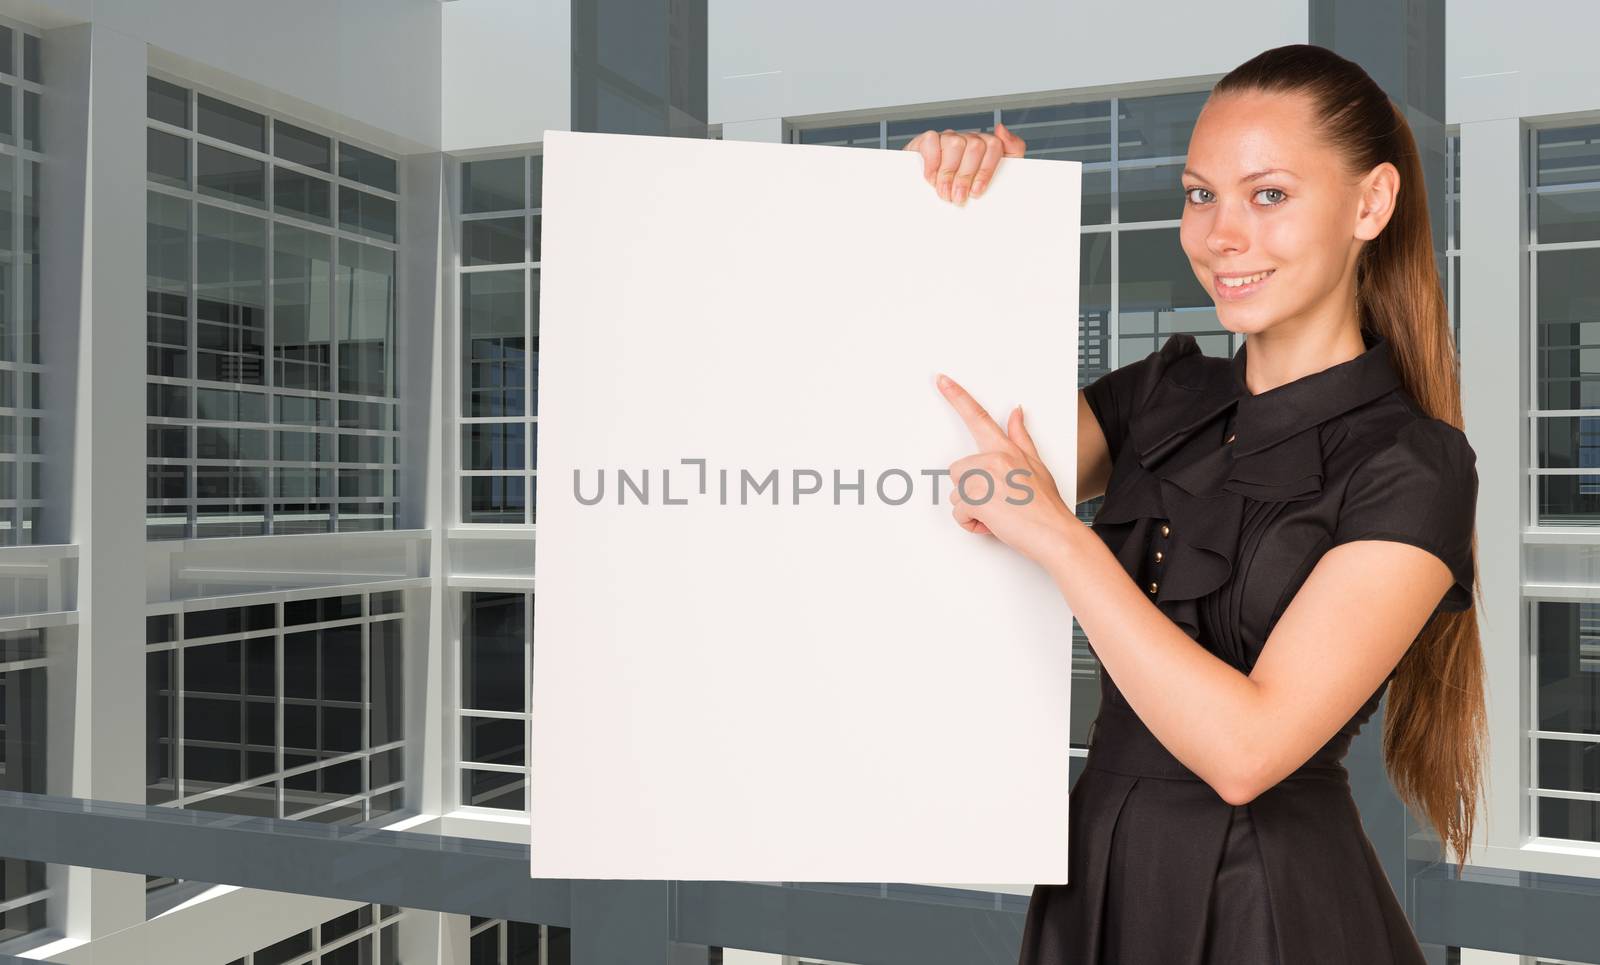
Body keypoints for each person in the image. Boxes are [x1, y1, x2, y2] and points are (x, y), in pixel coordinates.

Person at [904, 43, 1483, 964]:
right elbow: (948, 463)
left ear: (1370, 203)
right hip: (1092, 876)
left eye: (1269, 195)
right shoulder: (1162, 395)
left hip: (1267, 907)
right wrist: (969, 226)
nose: (1219, 236)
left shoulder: (1414, 465)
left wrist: (1065, 542)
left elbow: (1247, 751)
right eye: (1199, 193)